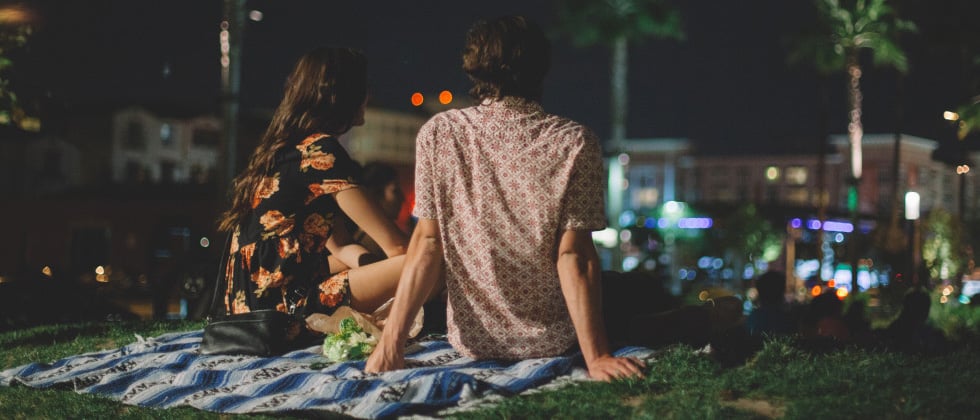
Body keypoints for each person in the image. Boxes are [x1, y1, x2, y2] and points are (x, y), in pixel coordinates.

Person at [366, 16, 644, 381]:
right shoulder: (575, 142)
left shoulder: (439, 133)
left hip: (472, 341)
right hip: (552, 341)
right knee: (637, 291)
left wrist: (391, 345)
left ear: (473, 66)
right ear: (541, 70)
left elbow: (427, 244)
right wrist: (597, 357)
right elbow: (573, 256)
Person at [215, 47, 408, 323]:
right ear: (343, 95)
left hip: (249, 308)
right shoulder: (322, 152)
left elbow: (341, 247)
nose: (369, 96)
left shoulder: (286, 150)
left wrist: (381, 272)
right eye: (364, 87)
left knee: (377, 258)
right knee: (428, 262)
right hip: (287, 307)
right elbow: (399, 249)